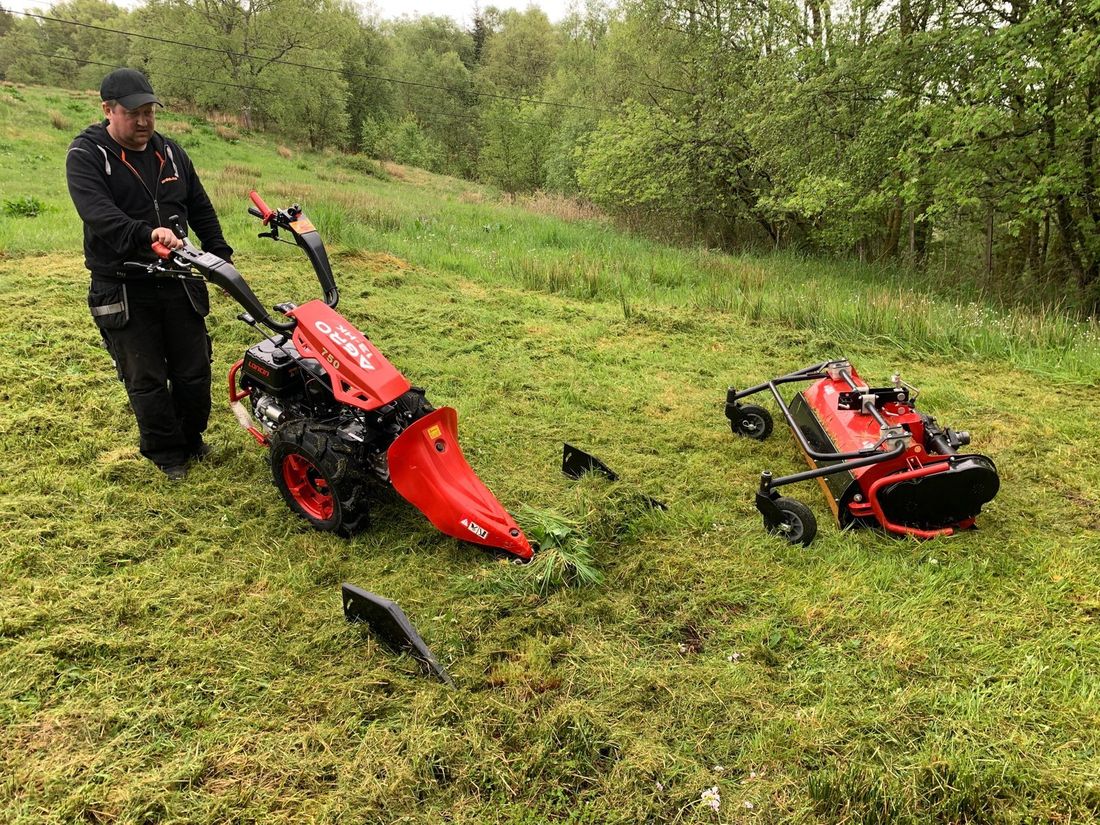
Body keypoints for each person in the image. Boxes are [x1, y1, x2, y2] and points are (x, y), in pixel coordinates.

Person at [66, 68, 233, 480]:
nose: (144, 122)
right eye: (133, 113)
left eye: (150, 112)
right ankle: (167, 454)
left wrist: (221, 256)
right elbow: (100, 216)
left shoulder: (171, 153)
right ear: (107, 109)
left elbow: (200, 208)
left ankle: (191, 440)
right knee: (146, 376)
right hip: (122, 282)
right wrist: (146, 234)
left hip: (179, 277)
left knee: (194, 369)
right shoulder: (88, 156)